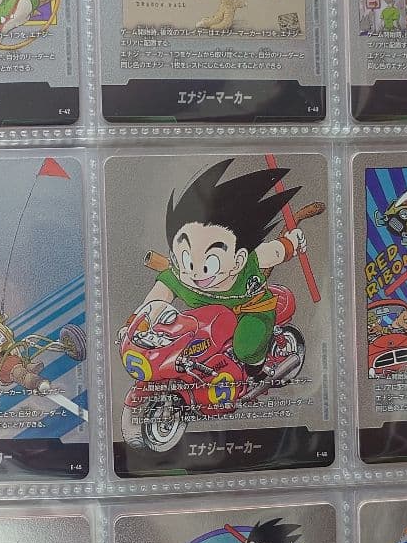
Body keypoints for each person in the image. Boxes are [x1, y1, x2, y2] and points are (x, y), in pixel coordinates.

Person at [125, 159, 306, 388]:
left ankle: (257, 369)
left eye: (209, 261)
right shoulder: (181, 277)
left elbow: (274, 252)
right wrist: (136, 324)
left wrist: (292, 243)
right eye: (187, 257)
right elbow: (157, 299)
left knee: (246, 347)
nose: (195, 270)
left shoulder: (250, 261)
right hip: (210, 317)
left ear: (238, 260)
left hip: (251, 309)